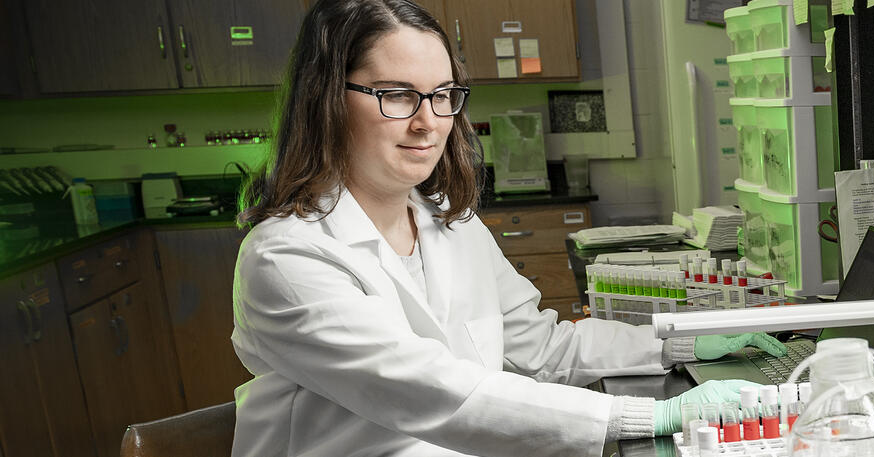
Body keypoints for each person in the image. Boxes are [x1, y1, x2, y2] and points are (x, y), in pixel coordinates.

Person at [230, 1, 786, 455]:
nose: (429, 123)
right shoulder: (288, 258)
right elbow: (432, 392)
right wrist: (652, 413)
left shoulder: (450, 222)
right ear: (327, 100)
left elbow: (542, 348)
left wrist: (681, 346)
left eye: (443, 96)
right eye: (397, 95)